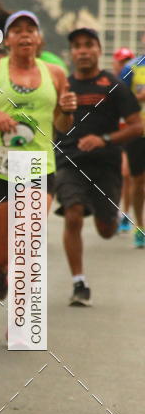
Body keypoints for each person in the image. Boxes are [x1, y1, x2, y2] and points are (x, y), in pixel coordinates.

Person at [0, 10, 71, 301]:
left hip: (38, 166)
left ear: (39, 38)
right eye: (17, 30)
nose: (25, 35)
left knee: (27, 244)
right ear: (7, 40)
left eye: (31, 29)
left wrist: (68, 111)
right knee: (0, 254)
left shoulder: (55, 74)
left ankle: (21, 313)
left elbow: (62, 125)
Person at [55, 28, 142, 305]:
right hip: (69, 161)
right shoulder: (64, 87)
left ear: (99, 50)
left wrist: (103, 139)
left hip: (106, 165)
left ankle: (104, 211)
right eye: (77, 46)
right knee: (73, 213)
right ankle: (79, 283)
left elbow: (137, 126)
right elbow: (56, 126)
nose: (83, 51)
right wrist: (64, 111)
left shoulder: (114, 86)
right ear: (71, 53)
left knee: (106, 230)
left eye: (88, 45)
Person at [119, 38, 145, 248]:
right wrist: (139, 97)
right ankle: (140, 227)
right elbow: (120, 99)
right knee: (138, 181)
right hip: (138, 132)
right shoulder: (131, 68)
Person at [112, 47, 135, 234]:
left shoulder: (135, 79)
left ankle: (125, 214)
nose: (123, 65)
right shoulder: (111, 83)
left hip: (131, 133)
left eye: (126, 61)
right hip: (115, 134)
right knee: (122, 175)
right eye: (121, 62)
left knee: (128, 175)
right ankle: (119, 213)